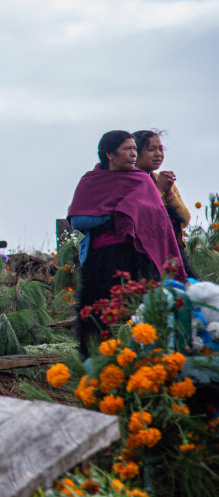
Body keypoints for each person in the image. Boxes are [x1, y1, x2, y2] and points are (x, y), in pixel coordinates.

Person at [68, 130, 186, 356]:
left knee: (136, 314)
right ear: (109, 154)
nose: (134, 154)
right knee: (98, 316)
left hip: (136, 260)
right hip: (101, 262)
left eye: (135, 149)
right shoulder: (90, 181)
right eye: (128, 149)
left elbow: (156, 221)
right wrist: (115, 214)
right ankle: (97, 363)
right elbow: (78, 219)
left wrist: (129, 213)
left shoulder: (142, 180)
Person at [134, 129, 195, 277]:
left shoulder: (161, 179)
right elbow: (145, 218)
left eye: (160, 149)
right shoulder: (131, 182)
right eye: (151, 149)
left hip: (171, 250)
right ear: (135, 153)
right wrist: (159, 190)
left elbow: (184, 219)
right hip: (144, 254)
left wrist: (169, 192)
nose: (158, 154)